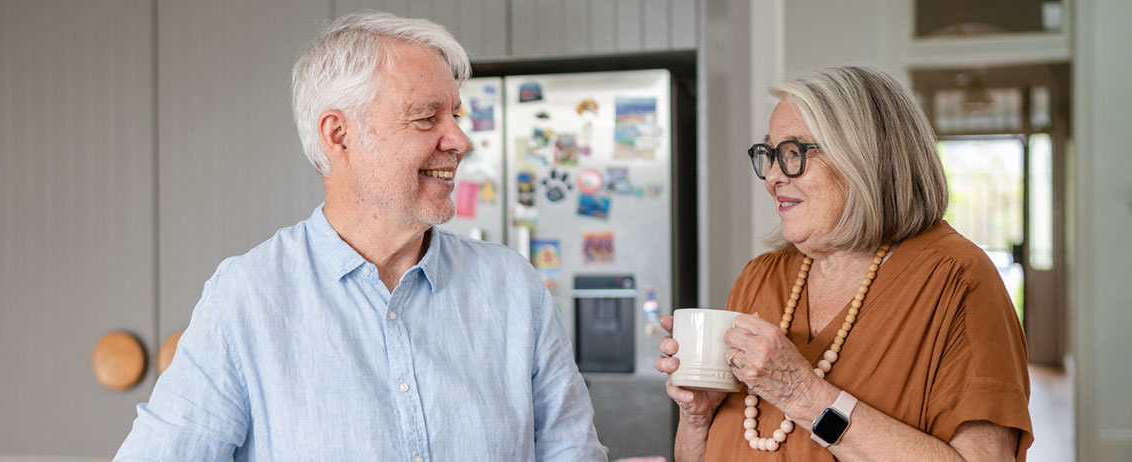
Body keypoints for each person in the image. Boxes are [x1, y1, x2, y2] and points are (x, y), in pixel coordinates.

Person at [113, 11, 607, 462]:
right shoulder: (246, 299)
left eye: (454, 115)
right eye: (426, 117)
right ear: (338, 135)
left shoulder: (513, 288)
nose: (459, 140)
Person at [654, 65, 1033, 460]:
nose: (771, 178)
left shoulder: (956, 278)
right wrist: (697, 418)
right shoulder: (761, 278)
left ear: (866, 157)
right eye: (769, 154)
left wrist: (804, 395)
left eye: (793, 153)